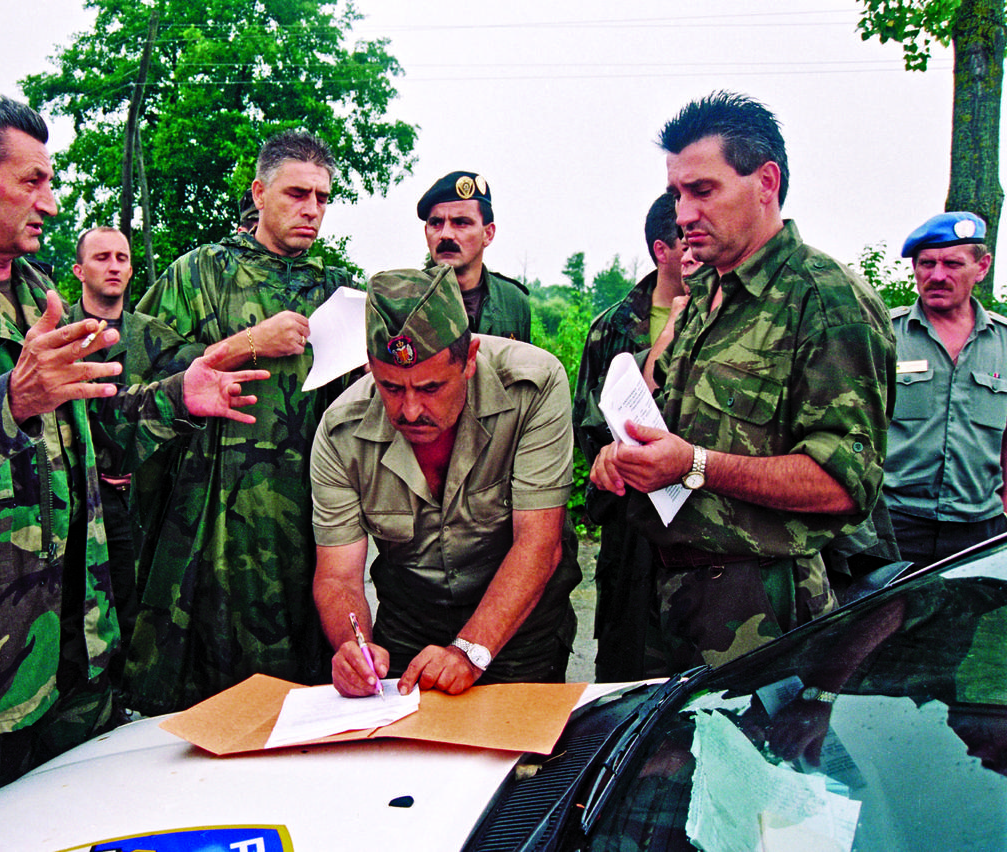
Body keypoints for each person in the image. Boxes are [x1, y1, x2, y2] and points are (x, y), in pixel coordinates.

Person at [0, 96, 267, 828]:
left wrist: (176, 398)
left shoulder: (43, 298)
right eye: (32, 181)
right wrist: (9, 401)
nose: (51, 201)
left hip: (77, 666)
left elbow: (99, 440)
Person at [590, 91, 895, 676]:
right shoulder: (706, 294)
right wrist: (624, 456)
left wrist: (695, 465)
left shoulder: (826, 300)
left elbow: (843, 484)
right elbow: (673, 429)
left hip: (760, 603)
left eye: (702, 191)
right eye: (678, 194)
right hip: (668, 590)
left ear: (766, 181)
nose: (682, 214)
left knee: (761, 763)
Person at [124, 129, 357, 715]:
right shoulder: (199, 273)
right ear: (258, 193)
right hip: (210, 516)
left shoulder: (335, 293)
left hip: (309, 519)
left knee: (303, 692)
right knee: (211, 688)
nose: (311, 210)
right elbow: (141, 377)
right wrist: (247, 342)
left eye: (322, 198)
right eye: (296, 193)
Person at [311, 266, 580, 697]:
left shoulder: (533, 386)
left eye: (431, 387)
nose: (411, 409)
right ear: (369, 368)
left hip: (520, 633)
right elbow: (338, 576)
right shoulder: (341, 432)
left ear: (470, 358)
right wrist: (352, 644)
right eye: (391, 387)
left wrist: (467, 652)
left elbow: (539, 545)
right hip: (408, 631)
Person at [573, 193, 689, 681]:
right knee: (624, 680)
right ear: (662, 249)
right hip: (632, 533)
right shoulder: (612, 329)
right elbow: (588, 424)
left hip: (704, 534)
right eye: (686, 237)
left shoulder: (730, 319)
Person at [67, 226, 165, 682]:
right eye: (102, 257)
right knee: (83, 610)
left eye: (122, 258)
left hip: (142, 498)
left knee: (141, 603)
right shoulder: (61, 336)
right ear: (79, 270)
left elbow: (194, 380)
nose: (114, 266)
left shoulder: (151, 335)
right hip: (80, 501)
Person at [884, 211, 1007, 568]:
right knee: (883, 623)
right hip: (895, 523)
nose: (937, 275)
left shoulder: (1004, 343)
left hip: (979, 528)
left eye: (952, 263)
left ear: (982, 267)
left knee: (958, 623)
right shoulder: (884, 336)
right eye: (927, 264)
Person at [418, 170, 531, 341]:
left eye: (461, 222)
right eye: (436, 223)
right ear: (426, 232)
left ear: (488, 234)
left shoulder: (513, 301)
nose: (445, 234)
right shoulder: (402, 300)